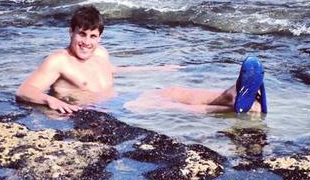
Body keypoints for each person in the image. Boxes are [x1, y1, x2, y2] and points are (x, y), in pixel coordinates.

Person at [16, 6, 266, 115]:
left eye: (93, 36)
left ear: (100, 37)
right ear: (71, 32)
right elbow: (25, 90)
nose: (86, 42)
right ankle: (241, 107)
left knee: (172, 91)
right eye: (82, 34)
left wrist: (156, 69)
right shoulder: (58, 61)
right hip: (97, 112)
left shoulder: (100, 53)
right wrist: (49, 100)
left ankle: (231, 95)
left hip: (117, 101)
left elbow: (113, 70)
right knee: (162, 104)